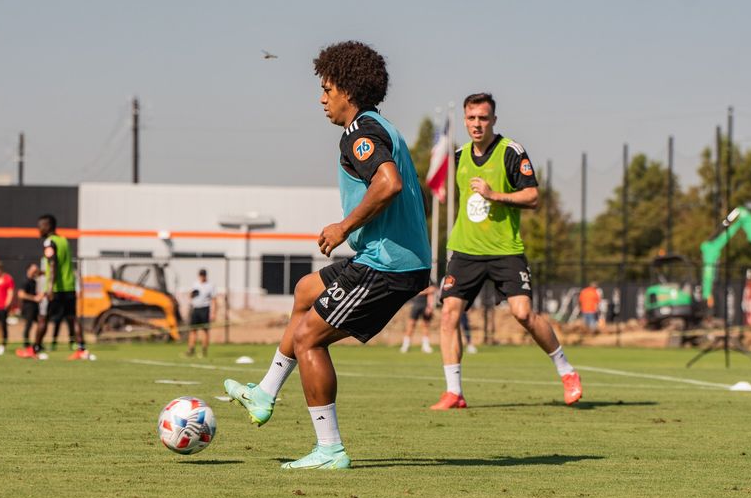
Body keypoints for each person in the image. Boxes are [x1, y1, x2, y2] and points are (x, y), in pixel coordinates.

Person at [223, 41, 431, 470]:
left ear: (348, 91)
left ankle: (330, 449)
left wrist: (343, 227)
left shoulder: (360, 132)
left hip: (387, 265)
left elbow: (388, 184)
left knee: (308, 339)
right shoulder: (379, 126)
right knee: (305, 290)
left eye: (327, 88)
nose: (322, 98)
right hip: (383, 256)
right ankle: (264, 393)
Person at [433, 93, 582, 409]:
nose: (477, 124)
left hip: (505, 249)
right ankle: (454, 391)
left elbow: (532, 197)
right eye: (471, 118)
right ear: (464, 120)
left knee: (523, 313)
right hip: (465, 250)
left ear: (493, 121)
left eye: (483, 118)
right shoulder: (458, 157)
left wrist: (494, 195)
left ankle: (567, 371)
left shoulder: (511, 152)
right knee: (448, 315)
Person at [16, 214, 89, 361]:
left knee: (43, 318)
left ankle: (35, 349)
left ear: (48, 226)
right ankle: (82, 350)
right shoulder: (64, 241)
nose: (38, 230)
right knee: (73, 319)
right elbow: (60, 266)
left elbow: (53, 264)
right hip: (69, 287)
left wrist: (49, 289)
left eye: (40, 226)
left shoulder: (49, 242)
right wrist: (43, 273)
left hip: (56, 289)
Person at [186, 268, 217, 358]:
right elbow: (190, 296)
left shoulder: (210, 285)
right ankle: (191, 350)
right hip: (196, 309)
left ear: (205, 275)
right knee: (193, 330)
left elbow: (214, 300)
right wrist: (192, 294)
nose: (202, 277)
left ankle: (204, 350)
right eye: (200, 275)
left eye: (203, 275)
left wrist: (213, 313)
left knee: (205, 331)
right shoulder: (195, 284)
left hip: (205, 309)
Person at [400, 283, 436, 353]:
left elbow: (432, 291)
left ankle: (425, 346)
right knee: (411, 324)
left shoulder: (429, 280)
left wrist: (430, 306)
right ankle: (406, 345)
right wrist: (426, 291)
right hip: (416, 305)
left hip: (425, 305)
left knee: (426, 325)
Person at [18, 263, 42, 346]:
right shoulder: (25, 281)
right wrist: (34, 298)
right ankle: (26, 344)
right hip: (28, 307)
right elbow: (21, 294)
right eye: (33, 270)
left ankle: (38, 343)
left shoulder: (34, 281)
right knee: (29, 325)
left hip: (35, 306)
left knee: (41, 323)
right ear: (28, 270)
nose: (35, 272)